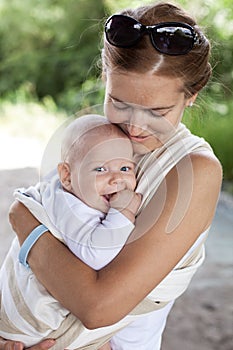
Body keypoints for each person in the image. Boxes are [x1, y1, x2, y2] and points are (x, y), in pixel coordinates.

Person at [1, 2, 222, 349]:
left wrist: (25, 223)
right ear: (105, 78)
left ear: (191, 96)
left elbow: (98, 306)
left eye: (158, 111)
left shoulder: (194, 170)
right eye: (119, 102)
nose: (134, 125)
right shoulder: (94, 137)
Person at [0, 115, 141, 349]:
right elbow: (96, 254)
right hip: (29, 325)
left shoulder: (67, 191)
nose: (117, 178)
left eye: (125, 167)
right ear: (67, 176)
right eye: (100, 168)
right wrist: (123, 214)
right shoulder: (72, 208)